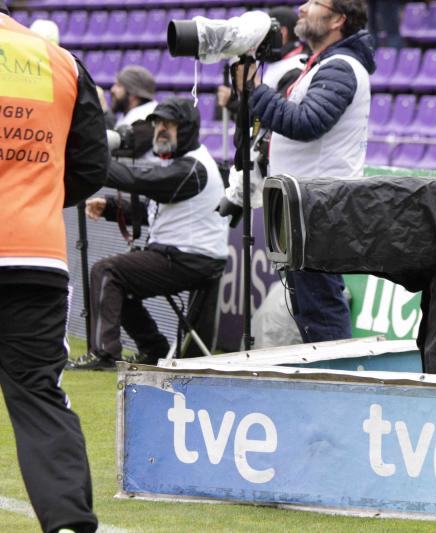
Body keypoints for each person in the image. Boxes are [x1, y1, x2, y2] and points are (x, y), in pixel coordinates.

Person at [0, 3, 108, 531]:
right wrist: (36, 197)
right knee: (39, 392)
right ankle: (66, 522)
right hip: (34, 253)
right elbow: (92, 165)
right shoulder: (59, 59)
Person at [247, 0, 375, 343]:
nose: (301, 9)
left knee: (320, 304)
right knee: (309, 304)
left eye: (314, 3)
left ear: (338, 20)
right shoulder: (324, 65)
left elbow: (307, 122)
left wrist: (255, 91)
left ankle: (338, 387)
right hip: (308, 202)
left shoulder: (340, 67)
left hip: (321, 205)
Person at [70, 97, 229, 370]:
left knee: (107, 272)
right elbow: (156, 210)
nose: (161, 130)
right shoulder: (184, 165)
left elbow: (139, 181)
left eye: (170, 124)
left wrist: (91, 161)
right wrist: (111, 207)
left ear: (188, 129)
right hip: (185, 256)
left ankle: (104, 355)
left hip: (188, 260)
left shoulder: (192, 168)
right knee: (120, 283)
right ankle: (154, 350)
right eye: (158, 124)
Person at [216, 6, 309, 117]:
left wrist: (233, 103)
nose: (259, 40)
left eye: (264, 33)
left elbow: (279, 117)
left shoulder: (295, 68)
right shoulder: (280, 63)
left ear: (282, 33)